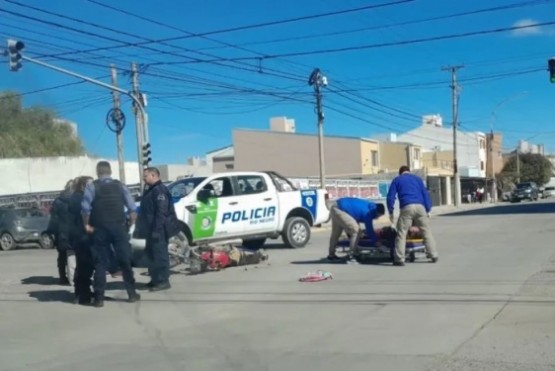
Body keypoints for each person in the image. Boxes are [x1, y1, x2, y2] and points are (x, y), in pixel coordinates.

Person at [81, 161, 140, 308]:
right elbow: (132, 209)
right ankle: (132, 294)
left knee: (100, 262)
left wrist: (86, 225)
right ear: (110, 171)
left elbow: (85, 209)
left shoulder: (91, 186)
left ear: (97, 172)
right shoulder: (120, 186)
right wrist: (130, 225)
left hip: (99, 228)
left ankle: (99, 298)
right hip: (119, 227)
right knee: (125, 261)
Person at [138, 167, 180, 291]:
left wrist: (157, 230)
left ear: (153, 175)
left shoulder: (160, 191)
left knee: (160, 255)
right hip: (149, 229)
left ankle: (163, 281)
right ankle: (155, 279)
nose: (143, 178)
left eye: (145, 176)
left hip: (159, 230)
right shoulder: (150, 190)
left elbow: (161, 212)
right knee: (151, 256)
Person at [386, 165, 438, 266]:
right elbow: (425, 194)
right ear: (409, 171)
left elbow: (390, 197)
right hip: (420, 207)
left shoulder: (397, 180)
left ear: (400, 173)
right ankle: (434, 255)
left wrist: (391, 211)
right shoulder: (418, 179)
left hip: (407, 207)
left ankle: (399, 259)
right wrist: (428, 209)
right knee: (426, 231)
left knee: (402, 233)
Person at [327, 197, 385, 262]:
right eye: (379, 216)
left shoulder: (370, 206)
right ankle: (351, 255)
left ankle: (331, 256)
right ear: (377, 213)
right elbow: (370, 230)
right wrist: (377, 243)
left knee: (336, 233)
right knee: (356, 231)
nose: (378, 218)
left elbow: (355, 215)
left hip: (336, 207)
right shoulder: (369, 213)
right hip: (340, 209)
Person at [68, 176, 95, 305]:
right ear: (84, 186)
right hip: (83, 236)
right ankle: (83, 295)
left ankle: (80, 293)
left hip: (78, 236)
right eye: (90, 184)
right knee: (85, 267)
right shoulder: (80, 199)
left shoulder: (75, 197)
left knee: (82, 267)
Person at [47, 179, 74, 285]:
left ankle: (63, 277)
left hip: (61, 231)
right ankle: (74, 275)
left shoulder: (58, 201)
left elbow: (54, 218)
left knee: (62, 255)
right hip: (73, 231)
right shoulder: (76, 199)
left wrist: (51, 231)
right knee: (74, 254)